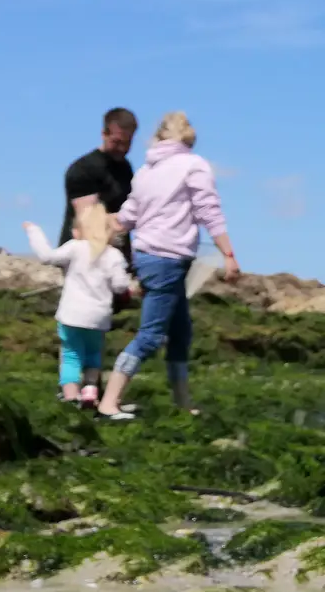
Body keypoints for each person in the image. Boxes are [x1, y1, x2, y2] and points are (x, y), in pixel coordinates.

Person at [95, 112, 238, 420]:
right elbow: (209, 211)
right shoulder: (193, 165)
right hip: (168, 259)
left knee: (180, 332)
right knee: (150, 336)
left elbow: (129, 215)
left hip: (147, 256)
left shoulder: (147, 170)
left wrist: (103, 227)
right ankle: (108, 403)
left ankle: (183, 404)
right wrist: (228, 254)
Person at [24, 201, 134, 407]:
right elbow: (120, 286)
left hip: (72, 315)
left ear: (80, 230)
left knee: (71, 356)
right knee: (93, 354)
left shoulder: (76, 247)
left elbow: (47, 257)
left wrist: (34, 231)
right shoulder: (114, 255)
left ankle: (71, 396)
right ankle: (90, 390)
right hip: (98, 317)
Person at [61, 107, 138, 254]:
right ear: (104, 134)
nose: (122, 148)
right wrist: (125, 218)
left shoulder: (126, 168)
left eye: (127, 143)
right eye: (117, 142)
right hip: (83, 257)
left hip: (117, 255)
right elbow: (88, 220)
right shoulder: (83, 169)